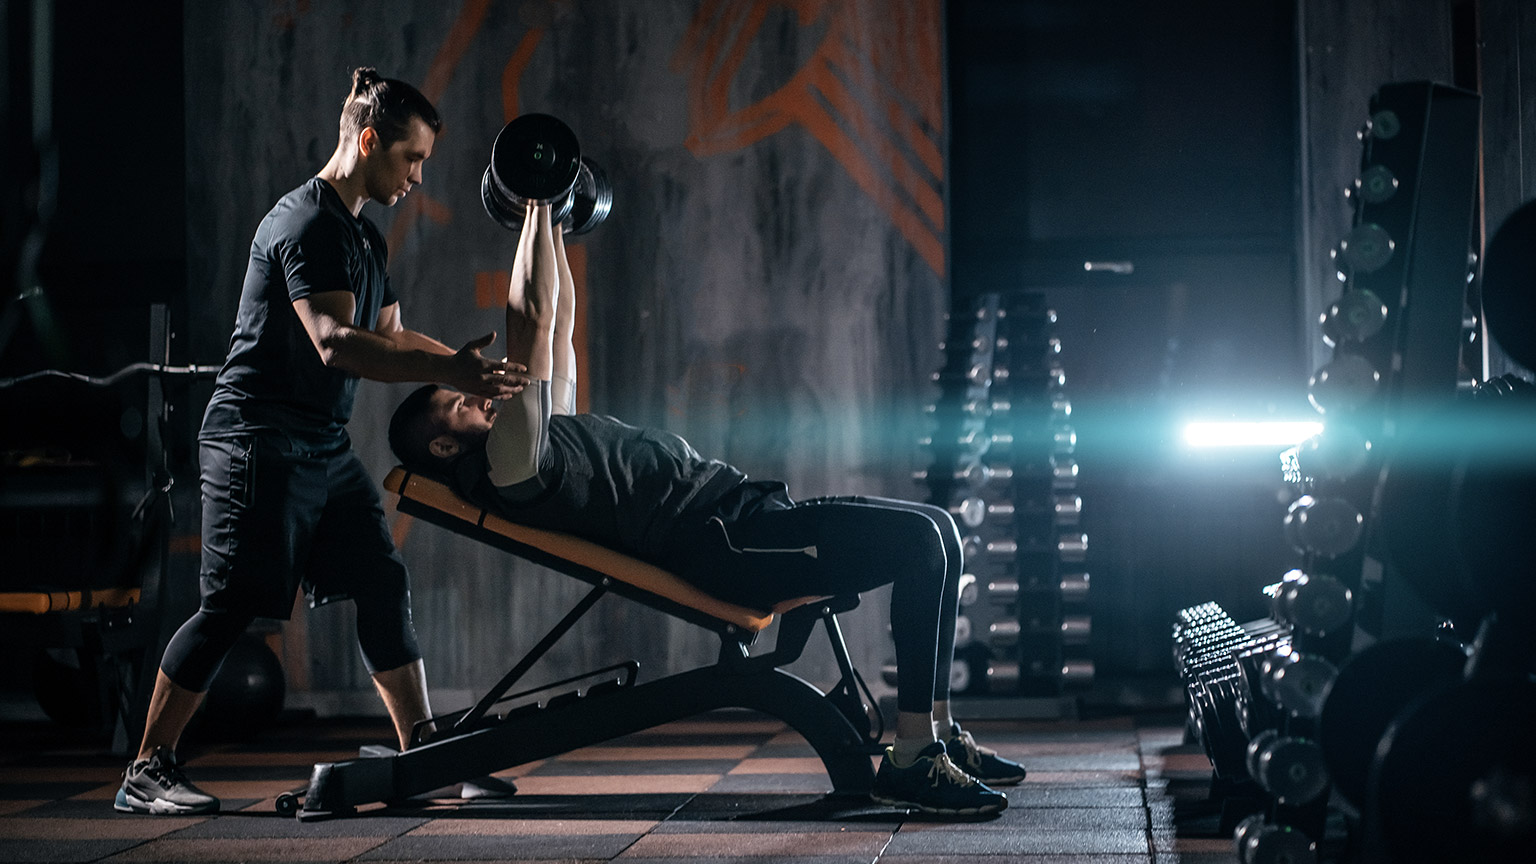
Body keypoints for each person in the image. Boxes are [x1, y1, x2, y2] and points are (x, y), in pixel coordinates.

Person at [386, 202, 1027, 816]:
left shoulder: (535, 443)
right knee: (918, 544)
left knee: (939, 528)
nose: (482, 393)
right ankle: (913, 758)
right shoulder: (510, 467)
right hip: (727, 544)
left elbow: (556, 327)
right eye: (462, 400)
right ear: (444, 444)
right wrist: (533, 198)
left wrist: (553, 215)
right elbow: (527, 320)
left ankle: (937, 729)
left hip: (744, 516)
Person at [116, 68, 527, 815]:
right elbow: (336, 344)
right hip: (256, 441)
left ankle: (423, 752)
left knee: (380, 579)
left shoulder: (364, 237)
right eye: (412, 158)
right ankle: (147, 767)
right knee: (232, 606)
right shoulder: (303, 223)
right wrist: (449, 365)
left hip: (321, 446)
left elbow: (392, 336)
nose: (417, 175)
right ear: (369, 140)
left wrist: (471, 373)